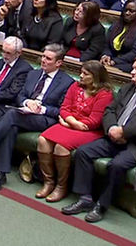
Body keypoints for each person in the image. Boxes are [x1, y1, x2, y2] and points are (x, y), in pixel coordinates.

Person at [0, 44, 75, 192]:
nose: (43, 60)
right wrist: (27, 102)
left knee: (12, 115)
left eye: (48, 58)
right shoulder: (34, 74)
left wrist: (42, 108)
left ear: (59, 63)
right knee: (11, 127)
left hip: (44, 119)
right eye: (43, 56)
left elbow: (61, 110)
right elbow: (20, 96)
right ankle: (1, 173)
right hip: (23, 113)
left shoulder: (67, 82)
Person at [63, 58, 136, 223]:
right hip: (112, 136)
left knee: (117, 165)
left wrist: (123, 132)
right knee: (83, 152)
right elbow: (109, 110)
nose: (132, 71)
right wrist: (112, 128)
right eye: (133, 68)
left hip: (134, 145)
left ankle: (101, 205)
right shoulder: (128, 88)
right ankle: (85, 198)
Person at [35, 61, 113, 202]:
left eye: (85, 74)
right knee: (43, 140)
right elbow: (64, 108)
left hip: (90, 131)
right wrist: (72, 122)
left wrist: (69, 122)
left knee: (61, 147)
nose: (81, 76)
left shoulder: (105, 94)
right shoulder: (75, 86)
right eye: (81, 72)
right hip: (71, 124)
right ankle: (48, 182)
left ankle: (61, 186)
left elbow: (94, 121)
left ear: (95, 77)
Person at [100, 0, 136, 72]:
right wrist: (106, 56)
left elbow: (135, 53)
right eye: (126, 10)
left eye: (131, 11)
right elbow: (106, 44)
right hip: (111, 59)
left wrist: (115, 61)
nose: (127, 13)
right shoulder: (116, 25)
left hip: (128, 63)